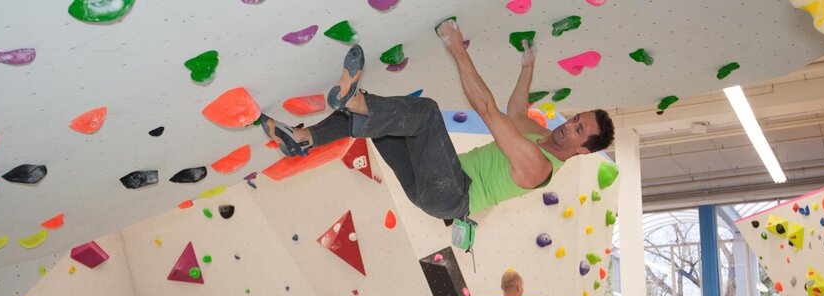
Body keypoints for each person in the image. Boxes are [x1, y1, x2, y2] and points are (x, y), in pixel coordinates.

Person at [263, 19, 615, 237]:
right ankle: (304, 138)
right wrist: (529, 65)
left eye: (579, 131)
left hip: (453, 195)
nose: (568, 127)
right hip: (430, 190)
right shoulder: (538, 135)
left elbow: (490, 111)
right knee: (387, 124)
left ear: (583, 150)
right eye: (575, 119)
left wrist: (456, 47)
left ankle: (354, 100)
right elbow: (516, 111)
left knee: (427, 113)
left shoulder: (538, 166)